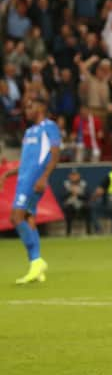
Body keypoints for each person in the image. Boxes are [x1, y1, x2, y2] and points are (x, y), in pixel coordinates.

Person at [0, 96, 60, 284]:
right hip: (23, 179)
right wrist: (10, 173)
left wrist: (44, 177)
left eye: (30, 106)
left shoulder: (49, 127)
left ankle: (36, 261)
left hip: (33, 181)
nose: (27, 110)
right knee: (27, 218)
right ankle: (36, 267)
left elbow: (55, 154)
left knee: (16, 217)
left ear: (41, 107)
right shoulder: (29, 132)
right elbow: (28, 161)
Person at [62, 168, 91, 235]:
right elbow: (62, 196)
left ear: (79, 176)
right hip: (70, 205)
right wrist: (70, 192)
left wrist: (78, 195)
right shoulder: (66, 184)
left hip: (81, 205)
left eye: (75, 175)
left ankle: (89, 232)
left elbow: (87, 197)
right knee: (68, 209)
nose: (74, 177)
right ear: (69, 176)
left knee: (88, 208)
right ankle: (68, 233)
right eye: (72, 175)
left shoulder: (83, 184)